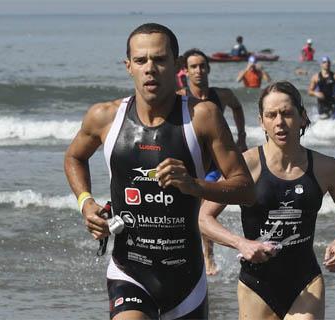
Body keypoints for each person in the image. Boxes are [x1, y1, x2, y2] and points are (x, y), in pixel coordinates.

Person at [64, 23, 256, 320]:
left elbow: (245, 188)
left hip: (187, 281)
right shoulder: (104, 117)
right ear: (128, 67)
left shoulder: (202, 116)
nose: (149, 68)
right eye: (141, 61)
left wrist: (195, 185)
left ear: (176, 65)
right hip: (129, 271)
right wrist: (85, 202)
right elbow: (74, 157)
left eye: (160, 59)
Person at [199, 80, 335, 320]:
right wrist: (241, 243)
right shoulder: (247, 165)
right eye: (271, 115)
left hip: (305, 281)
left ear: (302, 117)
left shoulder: (327, 168)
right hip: (256, 284)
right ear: (261, 122)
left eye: (287, 113)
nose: (279, 122)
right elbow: (204, 217)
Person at [181, 48, 248, 275]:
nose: (198, 70)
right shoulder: (180, 98)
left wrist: (241, 136)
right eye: (193, 67)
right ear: (186, 71)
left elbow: (237, 107)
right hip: (191, 161)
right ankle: (191, 253)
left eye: (202, 66)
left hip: (215, 165)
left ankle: (208, 257)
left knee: (204, 210)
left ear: (208, 68)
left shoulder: (222, 95)